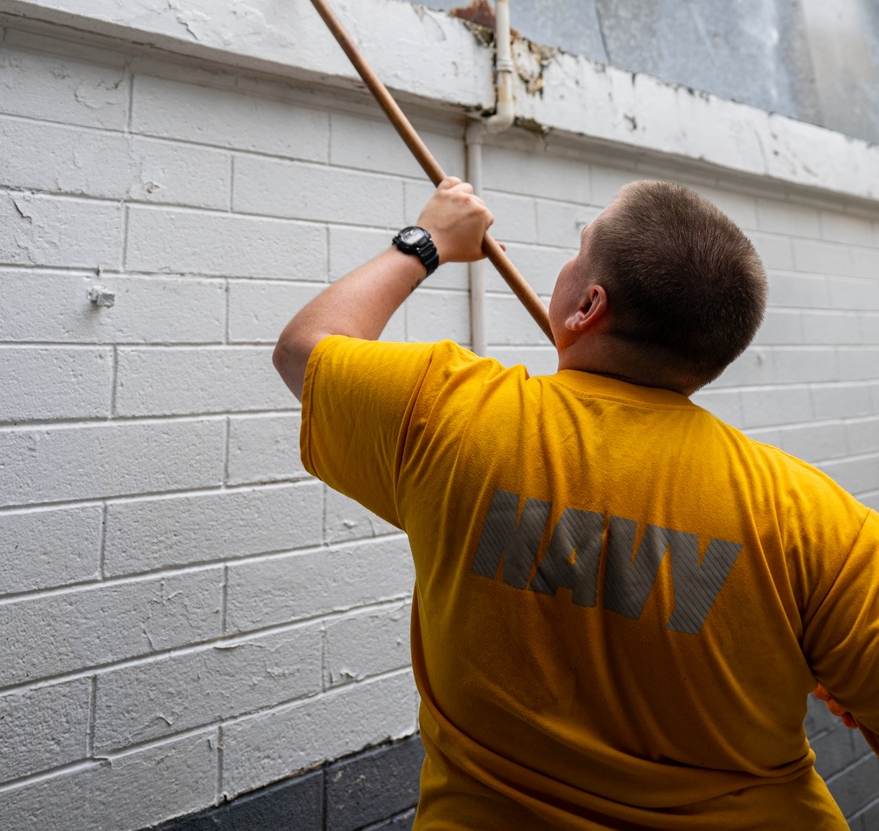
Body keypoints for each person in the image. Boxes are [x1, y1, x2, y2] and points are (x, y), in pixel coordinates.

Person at [273, 176, 879, 829]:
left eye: (577, 250)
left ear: (588, 305)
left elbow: (305, 349)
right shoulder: (817, 523)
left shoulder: (455, 420)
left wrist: (429, 241)